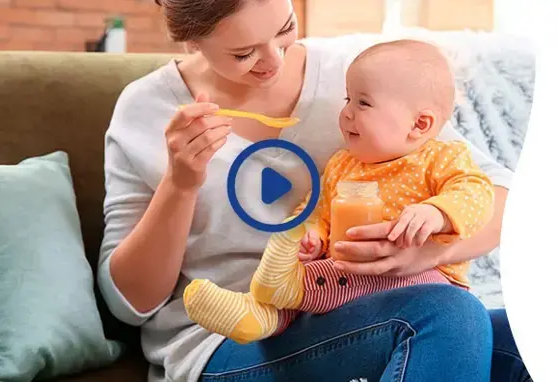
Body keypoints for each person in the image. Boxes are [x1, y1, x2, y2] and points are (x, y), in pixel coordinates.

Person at [97, 0, 531, 381]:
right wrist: (180, 184)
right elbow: (131, 302)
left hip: (374, 305)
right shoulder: (147, 110)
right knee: (446, 316)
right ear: (191, 39)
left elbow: (494, 191)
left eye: (285, 29)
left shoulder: (360, 74)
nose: (274, 61)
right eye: (244, 52)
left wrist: (429, 253)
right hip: (232, 340)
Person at [182, 39, 497, 345]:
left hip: (424, 279)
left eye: (363, 103)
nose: (347, 113)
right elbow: (316, 208)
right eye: (348, 99)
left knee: (320, 280)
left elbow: (476, 193)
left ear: (419, 124)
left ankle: (282, 289)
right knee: (316, 272)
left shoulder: (441, 158)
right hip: (343, 280)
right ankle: (262, 316)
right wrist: (312, 235)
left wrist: (437, 212)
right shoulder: (342, 165)